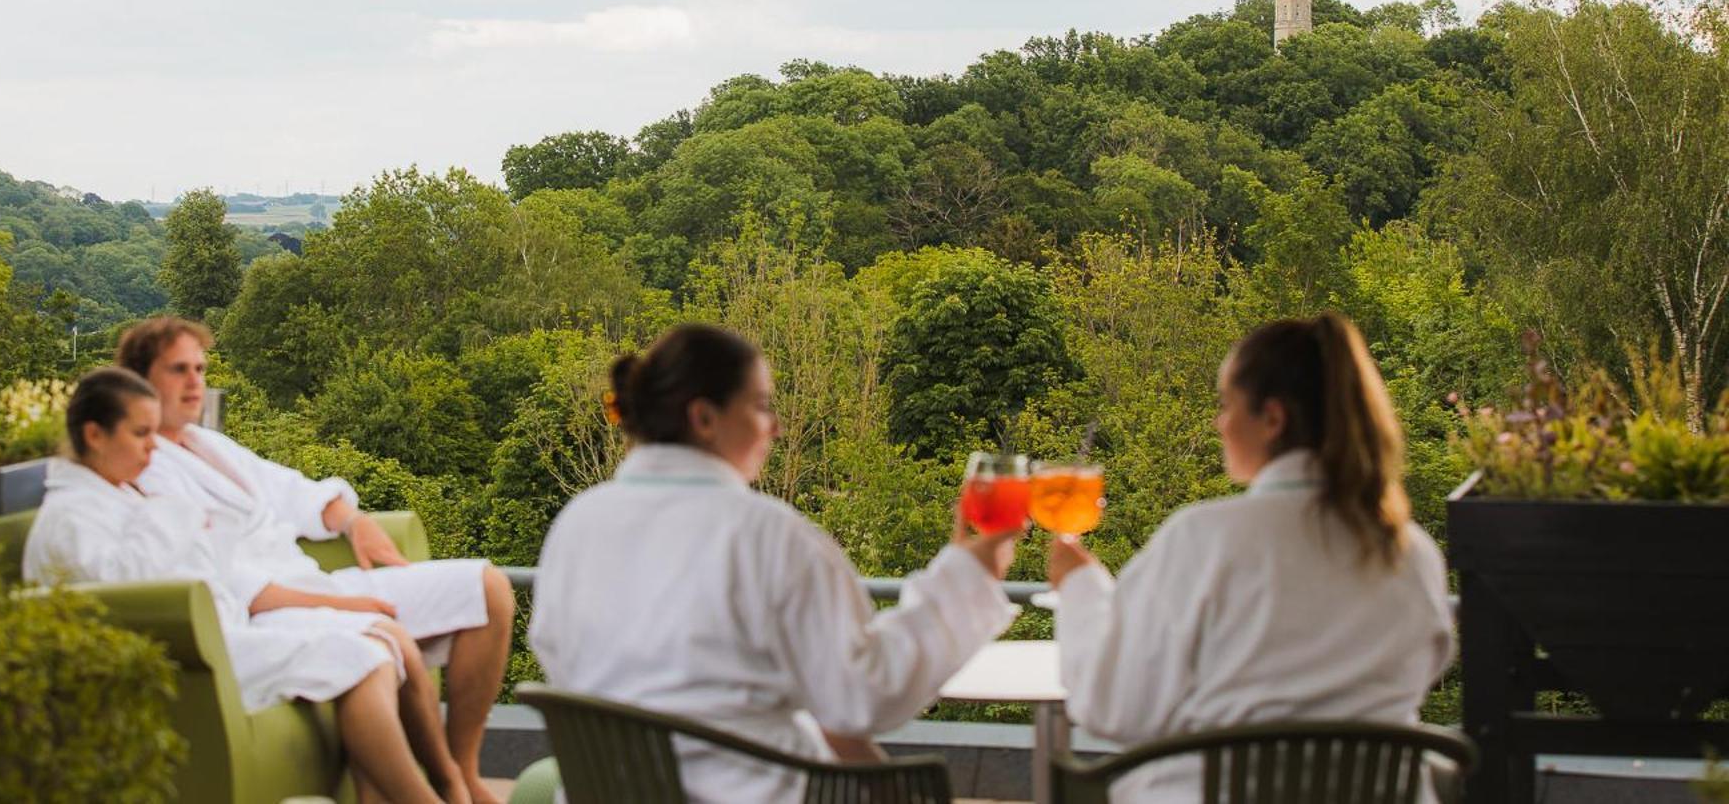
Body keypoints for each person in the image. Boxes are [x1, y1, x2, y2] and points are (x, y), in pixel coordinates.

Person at [528, 322, 1020, 804]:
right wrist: (970, 576)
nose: (777, 428)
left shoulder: (578, 522)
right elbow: (863, 696)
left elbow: (560, 657)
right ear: (704, 418)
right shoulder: (768, 536)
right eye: (763, 406)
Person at [1046, 313, 1455, 803]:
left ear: (1272, 418)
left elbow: (1114, 707)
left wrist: (1081, 587)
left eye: (1226, 405)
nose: (1219, 423)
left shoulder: (1205, 540)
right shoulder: (1411, 554)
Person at [115, 317, 515, 804]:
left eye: (200, 368)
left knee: (487, 588)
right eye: (179, 369)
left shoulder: (207, 445)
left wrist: (353, 522)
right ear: (138, 379)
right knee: (383, 640)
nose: (196, 381)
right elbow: (226, 582)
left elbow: (294, 491)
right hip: (275, 608)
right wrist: (351, 608)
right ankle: (440, 787)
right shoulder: (141, 465)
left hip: (318, 582)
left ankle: (465, 774)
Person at [24, 367, 462, 804]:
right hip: (187, 649)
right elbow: (128, 586)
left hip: (224, 626)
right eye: (141, 434)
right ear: (95, 435)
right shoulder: (72, 514)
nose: (152, 450)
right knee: (362, 658)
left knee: (376, 646)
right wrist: (173, 513)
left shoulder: (120, 494)